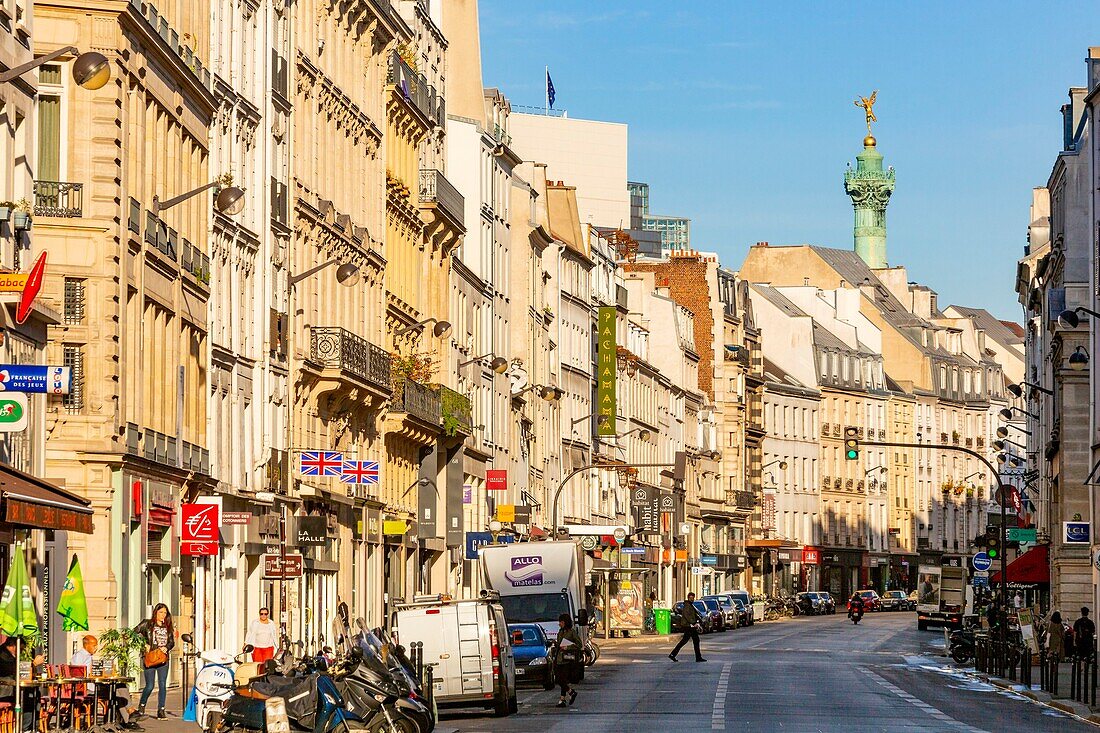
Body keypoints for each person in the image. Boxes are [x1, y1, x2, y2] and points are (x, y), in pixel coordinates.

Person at [70, 635, 138, 730]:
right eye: (94, 645)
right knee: (117, 690)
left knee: (119, 687)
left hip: (94, 685)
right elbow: (78, 672)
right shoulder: (79, 656)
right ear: (87, 645)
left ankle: (129, 718)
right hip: (88, 689)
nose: (96, 648)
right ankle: (129, 718)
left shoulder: (88, 656)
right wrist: (92, 674)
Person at [135, 603, 174, 720]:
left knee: (162, 684)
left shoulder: (168, 626)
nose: (163, 615)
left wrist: (166, 647)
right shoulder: (147, 624)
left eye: (165, 613)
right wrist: (144, 644)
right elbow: (133, 633)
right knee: (150, 686)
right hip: (150, 658)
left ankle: (161, 710)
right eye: (160, 612)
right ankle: (142, 706)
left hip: (163, 659)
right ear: (155, 613)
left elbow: (172, 642)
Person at [0, 635, 44, 732]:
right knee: (29, 696)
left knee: (35, 692)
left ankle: (32, 726)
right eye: (21, 649)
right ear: (13, 645)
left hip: (11, 688)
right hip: (5, 691)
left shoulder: (8, 654)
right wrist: (34, 664)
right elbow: (15, 670)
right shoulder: (3, 654)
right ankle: (25, 727)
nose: (22, 652)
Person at [552, 613, 582, 708]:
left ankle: (570, 693)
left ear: (565, 622)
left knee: (561, 680)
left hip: (567, 659)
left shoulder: (572, 632)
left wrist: (568, 647)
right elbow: (559, 645)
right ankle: (563, 698)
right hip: (559, 659)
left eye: (561, 622)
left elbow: (579, 645)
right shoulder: (560, 632)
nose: (559, 624)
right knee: (560, 679)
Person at [668, 592, 706, 662]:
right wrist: (693, 622)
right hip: (688, 626)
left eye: (693, 598)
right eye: (691, 598)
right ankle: (698, 657)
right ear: (688, 598)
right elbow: (687, 616)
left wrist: (697, 621)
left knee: (687, 641)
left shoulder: (690, 605)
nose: (692, 599)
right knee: (693, 641)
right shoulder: (687, 606)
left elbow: (694, 615)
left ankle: (673, 654)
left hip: (690, 626)